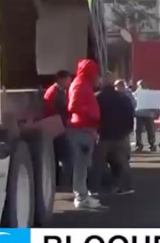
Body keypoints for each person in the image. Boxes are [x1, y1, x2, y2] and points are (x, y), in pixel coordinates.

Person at [93, 74, 136, 195]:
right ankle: (126, 186)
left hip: (103, 135)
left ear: (102, 83)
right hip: (120, 135)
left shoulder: (97, 98)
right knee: (122, 163)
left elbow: (94, 116)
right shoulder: (123, 98)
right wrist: (127, 131)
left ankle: (96, 188)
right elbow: (130, 115)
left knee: (98, 164)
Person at [67, 59, 101, 209]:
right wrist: (91, 114)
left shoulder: (82, 83)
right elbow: (73, 106)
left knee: (83, 165)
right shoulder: (80, 84)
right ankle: (81, 198)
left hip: (84, 128)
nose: (96, 75)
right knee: (81, 165)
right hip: (82, 129)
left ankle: (83, 195)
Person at [43, 70, 72, 185]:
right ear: (61, 79)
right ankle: (62, 181)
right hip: (56, 127)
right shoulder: (54, 92)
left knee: (60, 155)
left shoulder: (58, 91)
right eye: (68, 80)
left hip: (58, 125)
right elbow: (52, 110)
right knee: (64, 154)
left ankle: (60, 180)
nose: (69, 82)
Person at [132, 79, 158, 152]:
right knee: (138, 131)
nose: (142, 86)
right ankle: (139, 145)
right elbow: (132, 103)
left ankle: (152, 145)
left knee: (150, 130)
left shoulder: (149, 94)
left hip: (148, 114)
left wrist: (155, 111)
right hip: (138, 114)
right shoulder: (135, 94)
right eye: (140, 85)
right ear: (138, 86)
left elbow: (154, 103)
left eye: (143, 84)